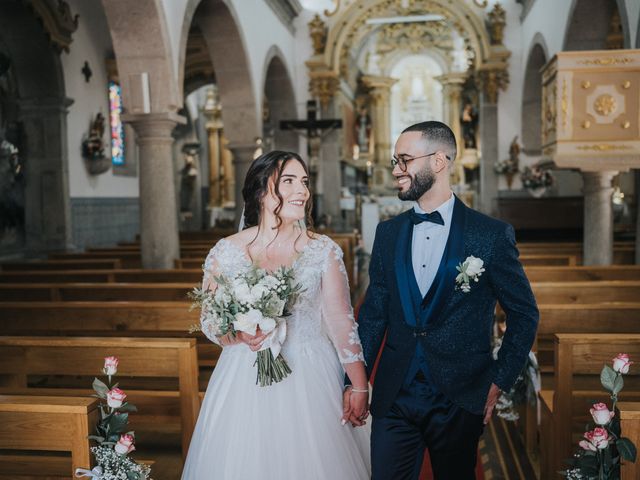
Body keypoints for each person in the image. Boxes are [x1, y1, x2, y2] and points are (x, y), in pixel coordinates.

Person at [352, 121, 539, 479]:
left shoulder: (491, 235)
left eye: (404, 160)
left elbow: (525, 314)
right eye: (395, 160)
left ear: (438, 161)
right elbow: (374, 315)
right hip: (394, 394)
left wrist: (499, 379)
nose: (396, 170)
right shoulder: (387, 233)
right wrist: (355, 382)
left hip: (460, 394)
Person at [181, 151, 371, 479]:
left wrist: (359, 386)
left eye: (305, 182)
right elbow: (210, 321)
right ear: (261, 192)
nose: (303, 191)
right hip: (244, 374)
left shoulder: (322, 250)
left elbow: (341, 322)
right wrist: (238, 333)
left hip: (311, 373)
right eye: (289, 181)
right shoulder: (225, 252)